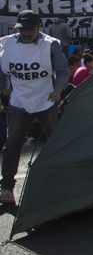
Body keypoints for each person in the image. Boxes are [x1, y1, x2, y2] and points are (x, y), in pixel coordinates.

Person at [0, 11, 69, 204]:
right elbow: (2, 72)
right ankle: (6, 188)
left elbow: (63, 70)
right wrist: (3, 91)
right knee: (12, 143)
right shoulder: (6, 44)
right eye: (23, 29)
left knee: (55, 140)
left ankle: (62, 181)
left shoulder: (50, 44)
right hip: (18, 102)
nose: (26, 33)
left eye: (30, 29)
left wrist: (58, 89)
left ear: (39, 27)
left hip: (46, 100)